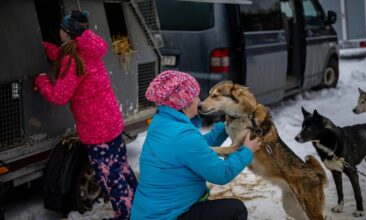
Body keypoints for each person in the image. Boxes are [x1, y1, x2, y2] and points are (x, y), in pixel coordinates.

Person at [34, 10, 137, 219]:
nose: (59, 33)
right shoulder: (88, 49)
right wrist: (45, 49)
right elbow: (63, 54)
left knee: (110, 178)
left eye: (61, 30)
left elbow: (60, 95)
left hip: (96, 132)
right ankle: (140, 202)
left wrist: (42, 80)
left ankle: (128, 215)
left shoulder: (73, 61)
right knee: (121, 167)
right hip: (112, 123)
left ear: (67, 33)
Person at [130, 70, 261, 220]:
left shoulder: (162, 122)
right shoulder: (183, 136)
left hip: (151, 213)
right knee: (236, 210)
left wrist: (224, 128)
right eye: (195, 97)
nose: (199, 101)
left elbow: (195, 151)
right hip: (169, 216)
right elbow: (221, 174)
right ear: (184, 103)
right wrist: (247, 151)